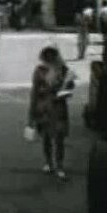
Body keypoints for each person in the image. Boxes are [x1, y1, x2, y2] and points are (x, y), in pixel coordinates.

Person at [28, 46, 76, 180]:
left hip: (59, 107)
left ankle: (60, 165)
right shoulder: (39, 70)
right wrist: (31, 114)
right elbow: (35, 91)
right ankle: (48, 162)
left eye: (52, 54)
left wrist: (66, 88)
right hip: (44, 108)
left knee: (59, 138)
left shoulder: (63, 69)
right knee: (46, 138)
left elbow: (71, 86)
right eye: (47, 54)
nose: (49, 56)